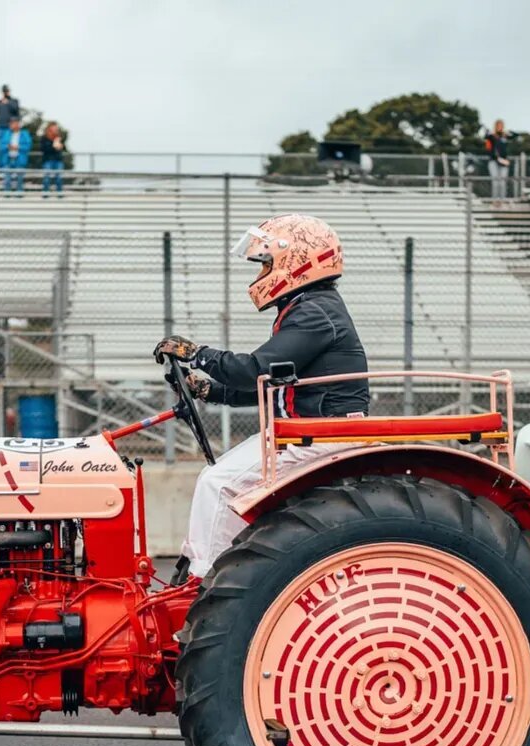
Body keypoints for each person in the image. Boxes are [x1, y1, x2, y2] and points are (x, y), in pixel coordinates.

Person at [152, 214, 368, 578]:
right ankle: (214, 571)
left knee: (218, 484)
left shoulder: (314, 313)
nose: (261, 273)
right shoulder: (311, 306)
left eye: (266, 263)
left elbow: (254, 369)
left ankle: (202, 581)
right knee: (217, 478)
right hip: (307, 432)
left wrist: (197, 354)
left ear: (296, 262)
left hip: (320, 436)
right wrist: (209, 390)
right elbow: (272, 384)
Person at [0, 85, 21, 168]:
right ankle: (1, 166)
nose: (5, 92)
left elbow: (16, 110)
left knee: (11, 147)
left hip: (10, 129)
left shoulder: (14, 101)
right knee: (1, 148)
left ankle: (11, 166)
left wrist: (8, 103)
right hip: (0, 128)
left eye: (7, 91)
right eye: (4, 91)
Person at [2, 117, 31, 194]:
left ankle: (19, 194)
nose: (12, 125)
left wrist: (18, 147)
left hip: (20, 159)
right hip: (8, 159)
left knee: (20, 178)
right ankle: (7, 194)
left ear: (18, 124)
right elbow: (2, 145)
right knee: (7, 178)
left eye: (14, 123)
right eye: (11, 123)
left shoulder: (24, 134)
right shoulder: (6, 133)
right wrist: (8, 147)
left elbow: (28, 146)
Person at [484, 120, 510, 199]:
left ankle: (502, 200)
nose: (500, 127)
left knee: (502, 182)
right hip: (494, 161)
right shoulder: (492, 136)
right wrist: (491, 133)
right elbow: (486, 138)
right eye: (498, 126)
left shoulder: (505, 137)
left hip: (503, 162)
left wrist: (505, 134)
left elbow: (515, 135)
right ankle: (495, 200)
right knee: (495, 182)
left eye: (501, 126)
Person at [39, 121, 65, 196]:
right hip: (47, 160)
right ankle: (45, 194)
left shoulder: (59, 138)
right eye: (54, 129)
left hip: (58, 160)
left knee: (59, 178)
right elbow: (43, 149)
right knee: (46, 178)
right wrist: (53, 146)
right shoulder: (44, 138)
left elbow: (63, 148)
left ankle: (59, 195)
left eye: (56, 129)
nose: (55, 130)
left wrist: (61, 146)